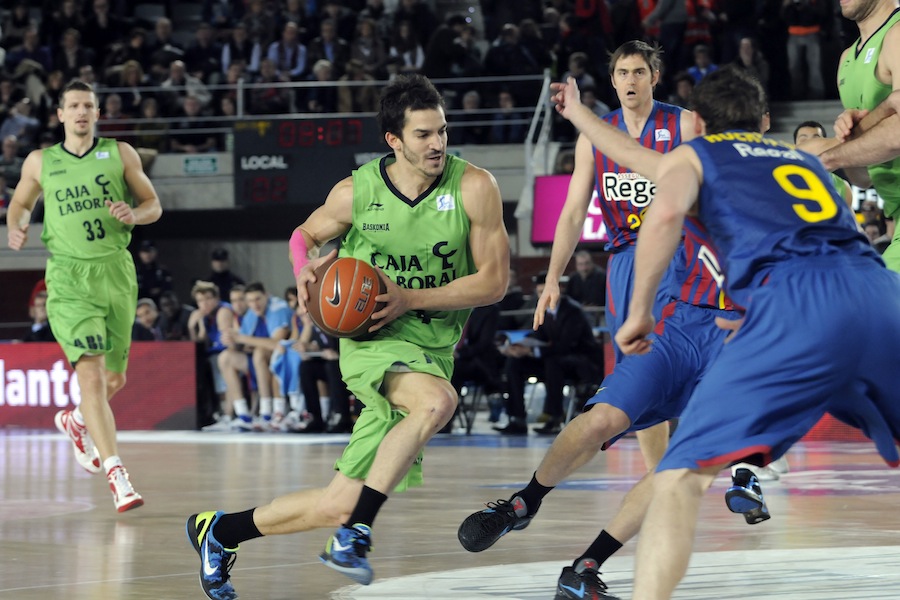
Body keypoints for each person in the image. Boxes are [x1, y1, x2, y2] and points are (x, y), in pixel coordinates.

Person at [184, 74, 509, 598]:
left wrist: (408, 297)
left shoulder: (474, 186)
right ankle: (356, 534)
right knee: (437, 403)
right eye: (424, 134)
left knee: (338, 501)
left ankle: (219, 532)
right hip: (370, 340)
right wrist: (302, 270)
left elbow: (493, 283)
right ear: (394, 140)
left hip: (431, 348)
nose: (438, 144)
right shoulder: (356, 191)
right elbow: (304, 234)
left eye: (443, 131)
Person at [455, 54, 767, 599]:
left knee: (612, 417)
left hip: (675, 304)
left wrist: (578, 113)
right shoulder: (767, 175)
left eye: (638, 71)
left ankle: (530, 503)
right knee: (673, 451)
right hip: (685, 301)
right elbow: (581, 207)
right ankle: (724, 477)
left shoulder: (685, 145)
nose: (630, 81)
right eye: (622, 72)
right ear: (760, 123)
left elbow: (640, 171)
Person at [612, 65, 900, 600]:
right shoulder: (804, 158)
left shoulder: (698, 154)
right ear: (764, 121)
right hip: (879, 291)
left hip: (795, 307)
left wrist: (639, 311)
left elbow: (663, 208)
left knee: (679, 478)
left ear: (697, 124)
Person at [5, 79, 162, 512]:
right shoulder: (41, 161)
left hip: (116, 273)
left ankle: (76, 420)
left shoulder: (120, 153)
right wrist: (16, 225)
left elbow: (153, 204)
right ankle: (117, 474)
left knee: (115, 380)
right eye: (72, 105)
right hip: (69, 277)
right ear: (60, 114)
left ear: (96, 113)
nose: (80, 112)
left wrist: (135, 214)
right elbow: (20, 204)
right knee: (91, 377)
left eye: (87, 106)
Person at [812, 0, 900, 273]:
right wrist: (872, 119)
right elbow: (863, 175)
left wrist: (827, 159)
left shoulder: (897, 34)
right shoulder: (847, 61)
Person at [494, 271, 604, 435]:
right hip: (552, 357)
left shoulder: (572, 311)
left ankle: (554, 417)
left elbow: (567, 344)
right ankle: (517, 418)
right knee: (515, 362)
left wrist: (532, 350)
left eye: (544, 292)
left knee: (553, 362)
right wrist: (520, 347)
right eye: (539, 293)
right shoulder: (544, 310)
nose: (543, 296)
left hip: (580, 360)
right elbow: (539, 336)